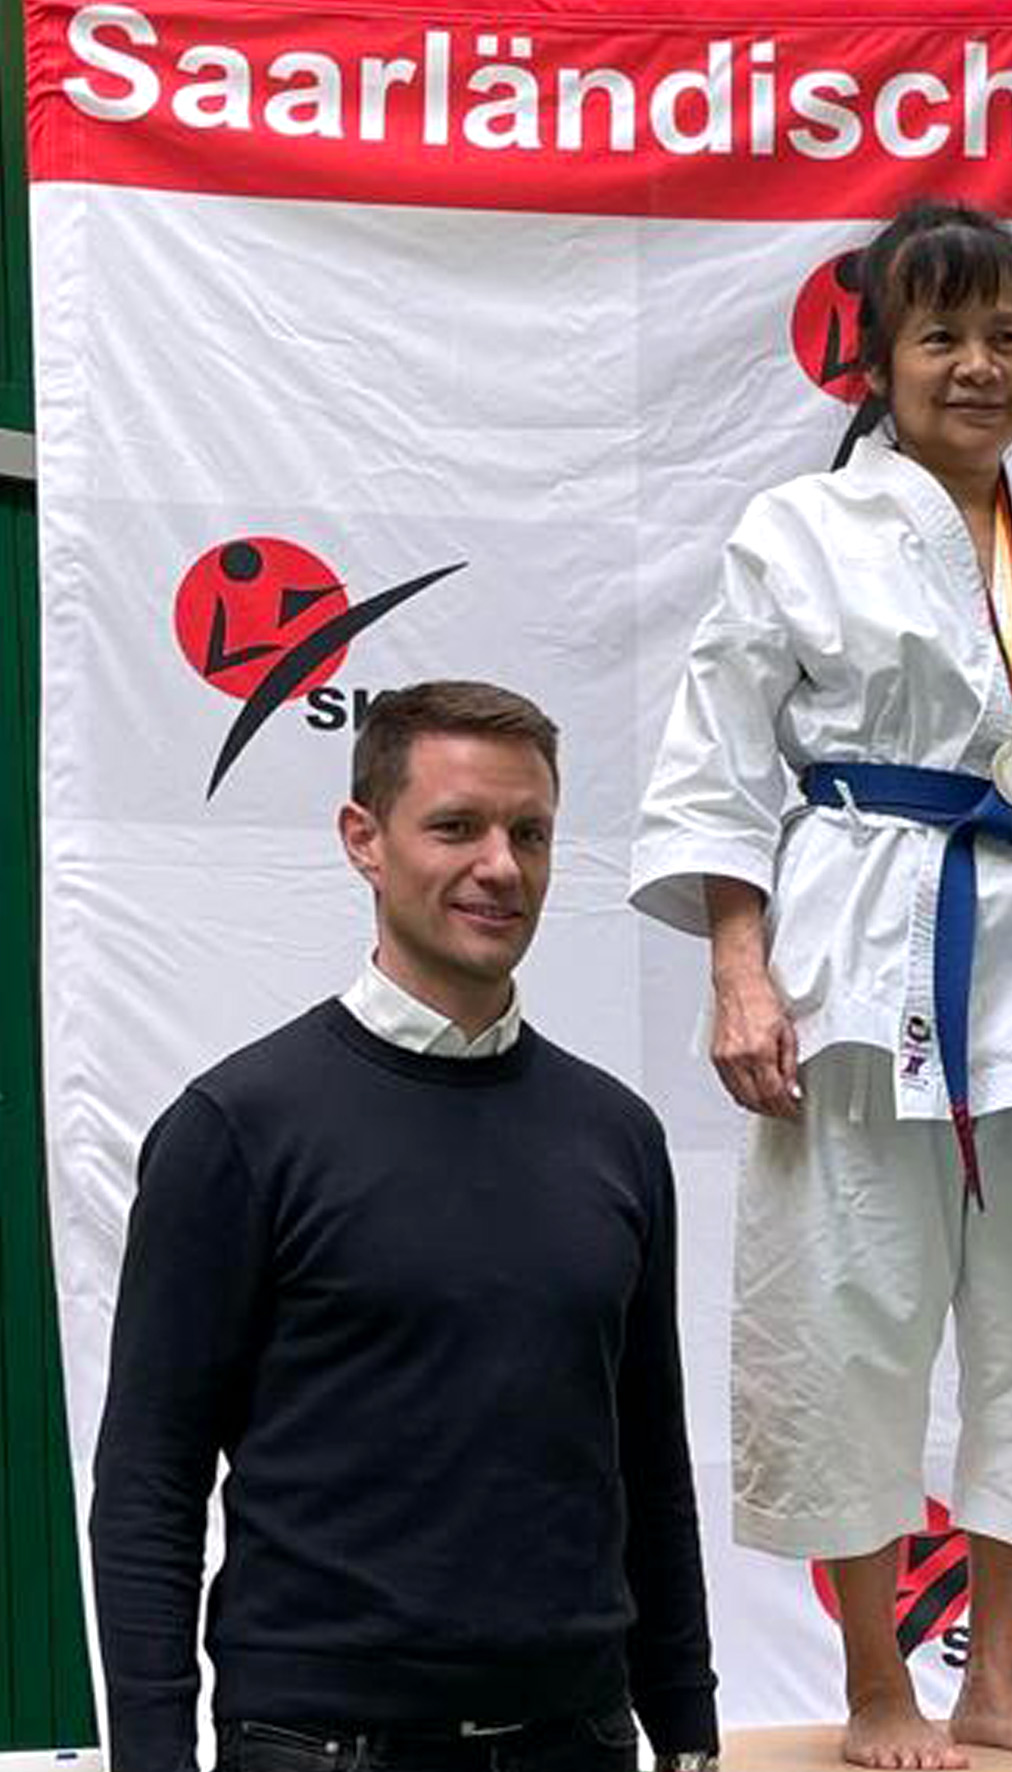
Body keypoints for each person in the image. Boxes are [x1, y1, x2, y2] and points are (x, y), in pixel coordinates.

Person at [630, 200, 1012, 1771]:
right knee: (844, 1314)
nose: (978, 366)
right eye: (942, 337)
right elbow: (718, 766)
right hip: (857, 955)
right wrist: (738, 972)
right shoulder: (795, 529)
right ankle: (874, 1686)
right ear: (878, 364)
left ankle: (996, 1683)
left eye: (1006, 339)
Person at [91, 680, 719, 1772]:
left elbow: (650, 1464)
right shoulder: (237, 1129)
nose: (501, 866)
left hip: (578, 1737)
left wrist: (690, 1735)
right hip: (321, 1744)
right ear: (363, 840)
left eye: (529, 832)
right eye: (456, 826)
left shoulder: (616, 1134)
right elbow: (151, 1479)